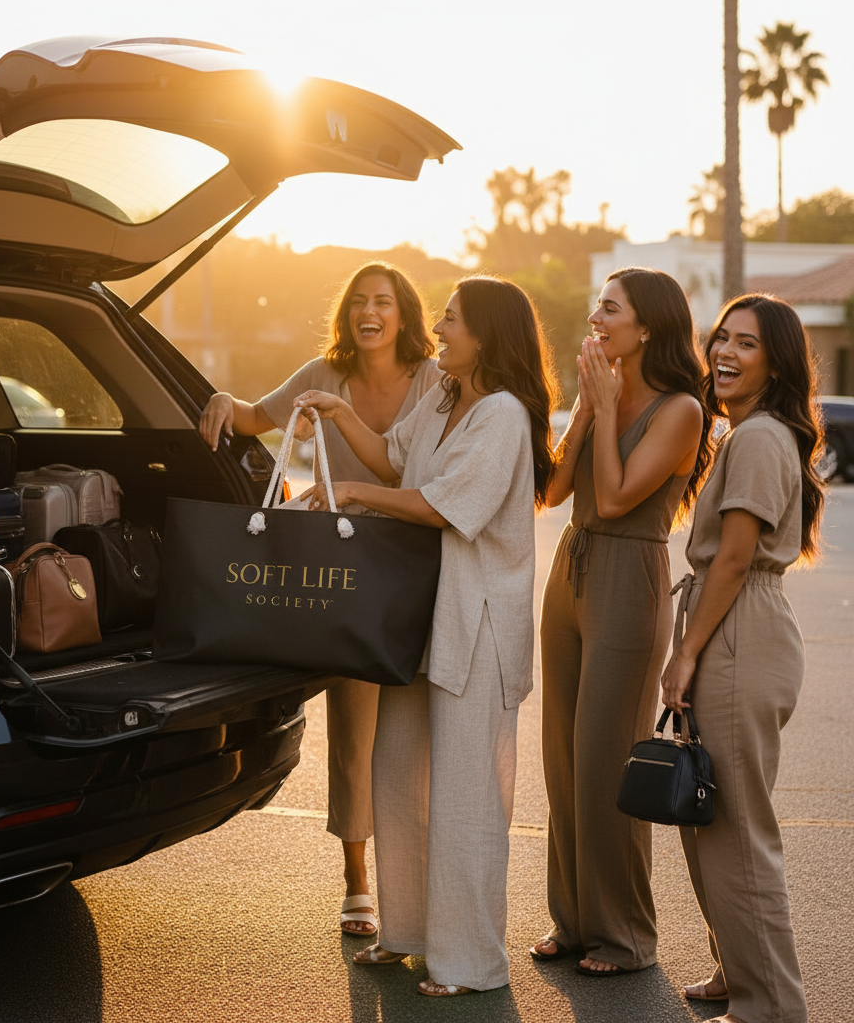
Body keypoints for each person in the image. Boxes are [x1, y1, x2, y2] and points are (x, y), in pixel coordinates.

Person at [295, 275, 558, 996]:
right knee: (400, 771)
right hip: (418, 617)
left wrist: (351, 493)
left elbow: (445, 507)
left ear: (486, 336)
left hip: (475, 624)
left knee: (469, 796)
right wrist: (337, 413)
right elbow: (390, 456)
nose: (438, 328)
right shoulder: (446, 397)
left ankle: (471, 962)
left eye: (451, 319)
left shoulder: (502, 414)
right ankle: (407, 931)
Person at [198, 263, 441, 937]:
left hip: (419, 568)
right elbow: (253, 418)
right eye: (359, 301)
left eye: (383, 302)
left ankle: (415, 882)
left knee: (416, 735)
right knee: (355, 734)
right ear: (347, 313)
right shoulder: (321, 373)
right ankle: (357, 881)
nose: (370, 312)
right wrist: (223, 398)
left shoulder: (432, 379)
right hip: (344, 576)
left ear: (404, 313)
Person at [534, 267, 712, 976]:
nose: (595, 317)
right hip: (570, 569)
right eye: (596, 306)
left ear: (647, 327)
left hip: (628, 573)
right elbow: (553, 492)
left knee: (608, 761)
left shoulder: (681, 410)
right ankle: (574, 922)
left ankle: (626, 935)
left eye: (610, 307)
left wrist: (607, 409)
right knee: (563, 760)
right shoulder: (601, 392)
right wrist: (583, 410)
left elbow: (613, 499)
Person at [661, 294, 824, 1023]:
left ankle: (772, 1006)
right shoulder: (750, 433)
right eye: (721, 338)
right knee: (711, 815)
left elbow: (731, 559)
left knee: (737, 831)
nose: (724, 352)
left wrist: (684, 654)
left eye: (747, 344)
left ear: (777, 361)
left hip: (739, 628)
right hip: (732, 622)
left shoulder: (758, 437)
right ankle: (737, 970)